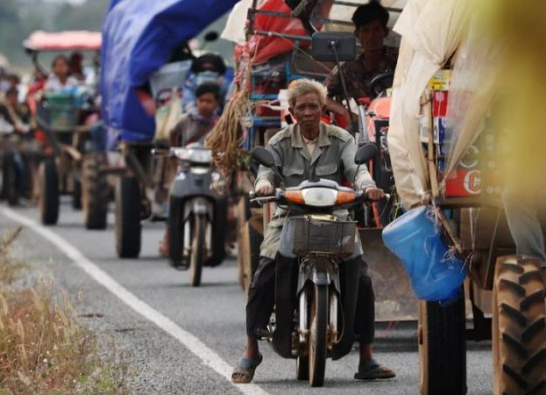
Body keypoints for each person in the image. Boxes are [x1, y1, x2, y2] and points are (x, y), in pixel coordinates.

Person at [231, 79, 395, 384]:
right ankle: (251, 350)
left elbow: (356, 168)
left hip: (336, 219)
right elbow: (266, 171)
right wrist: (264, 185)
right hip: (289, 219)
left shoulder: (341, 138)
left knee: (361, 278)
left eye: (314, 106)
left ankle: (367, 357)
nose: (308, 112)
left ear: (323, 109)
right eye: (302, 107)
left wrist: (368, 186)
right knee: (264, 275)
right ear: (292, 111)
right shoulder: (279, 141)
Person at [158, 82, 222, 256]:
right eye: (201, 100)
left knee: (222, 199)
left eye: (209, 101)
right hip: (187, 167)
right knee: (175, 198)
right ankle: (169, 238)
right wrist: (175, 153)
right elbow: (173, 133)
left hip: (210, 168)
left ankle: (221, 242)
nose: (204, 105)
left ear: (216, 103)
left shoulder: (219, 123)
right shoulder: (186, 119)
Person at [324, 0, 399, 126]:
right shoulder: (348, 66)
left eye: (376, 30)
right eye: (366, 31)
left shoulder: (398, 58)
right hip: (363, 127)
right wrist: (345, 113)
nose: (371, 36)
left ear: (385, 32)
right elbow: (322, 95)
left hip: (396, 121)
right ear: (357, 34)